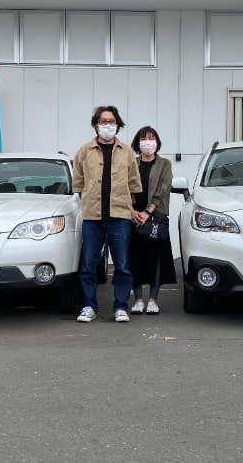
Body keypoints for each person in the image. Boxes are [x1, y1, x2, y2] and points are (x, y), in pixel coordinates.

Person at [72, 105, 142, 323]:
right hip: (92, 217)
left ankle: (120, 307)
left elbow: (133, 184)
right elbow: (78, 183)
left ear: (118, 125)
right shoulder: (84, 151)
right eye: (103, 122)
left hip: (120, 217)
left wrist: (132, 210)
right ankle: (89, 307)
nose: (108, 126)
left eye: (112, 122)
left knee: (122, 265)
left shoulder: (127, 152)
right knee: (88, 265)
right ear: (95, 125)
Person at [128, 126, 177, 315]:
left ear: (157, 142)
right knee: (135, 257)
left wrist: (147, 212)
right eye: (143, 139)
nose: (147, 142)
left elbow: (162, 189)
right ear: (138, 143)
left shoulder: (165, 164)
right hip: (134, 217)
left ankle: (153, 299)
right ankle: (138, 299)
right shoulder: (132, 162)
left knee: (156, 258)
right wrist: (133, 212)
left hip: (156, 215)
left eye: (151, 138)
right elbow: (125, 187)